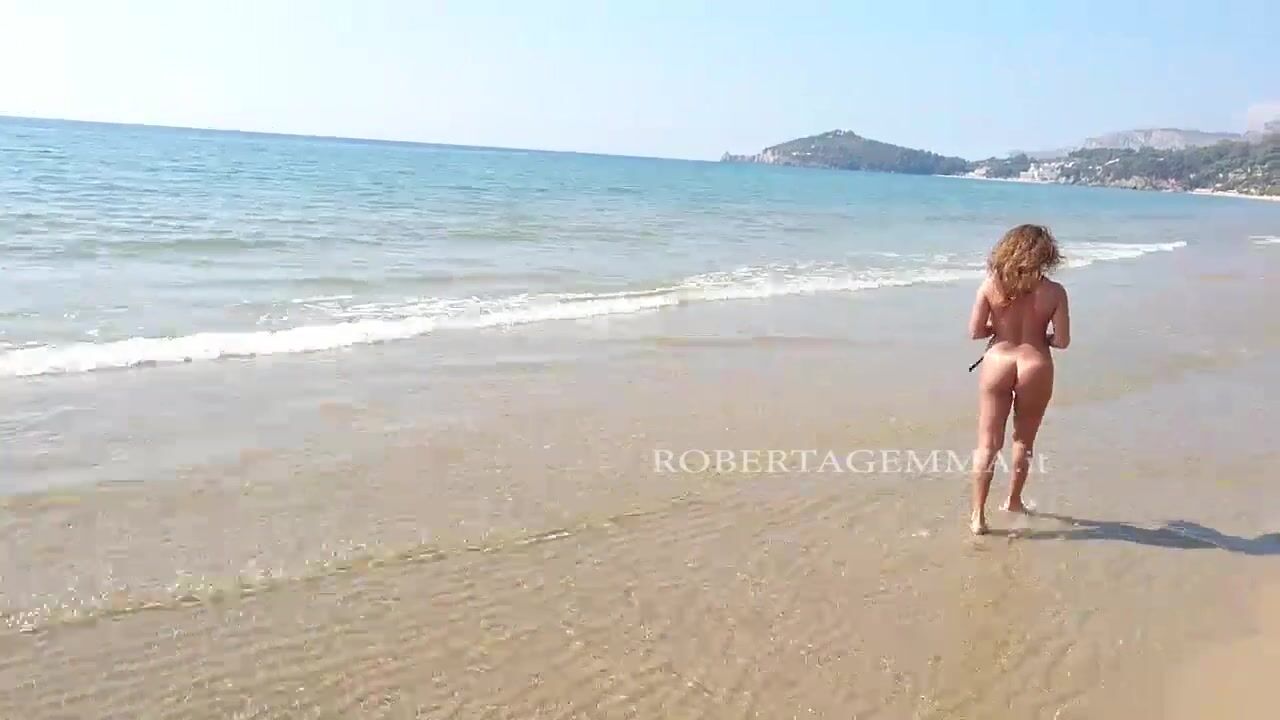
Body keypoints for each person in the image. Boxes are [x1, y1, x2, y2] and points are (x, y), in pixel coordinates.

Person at [967, 224, 1070, 535]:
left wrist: (999, 330)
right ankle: (1013, 501)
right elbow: (1062, 341)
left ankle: (977, 517)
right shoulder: (1055, 292)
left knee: (987, 443)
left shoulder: (991, 285)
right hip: (1035, 363)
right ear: (1046, 254)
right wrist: (1042, 338)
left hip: (997, 361)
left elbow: (975, 331)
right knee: (1023, 440)